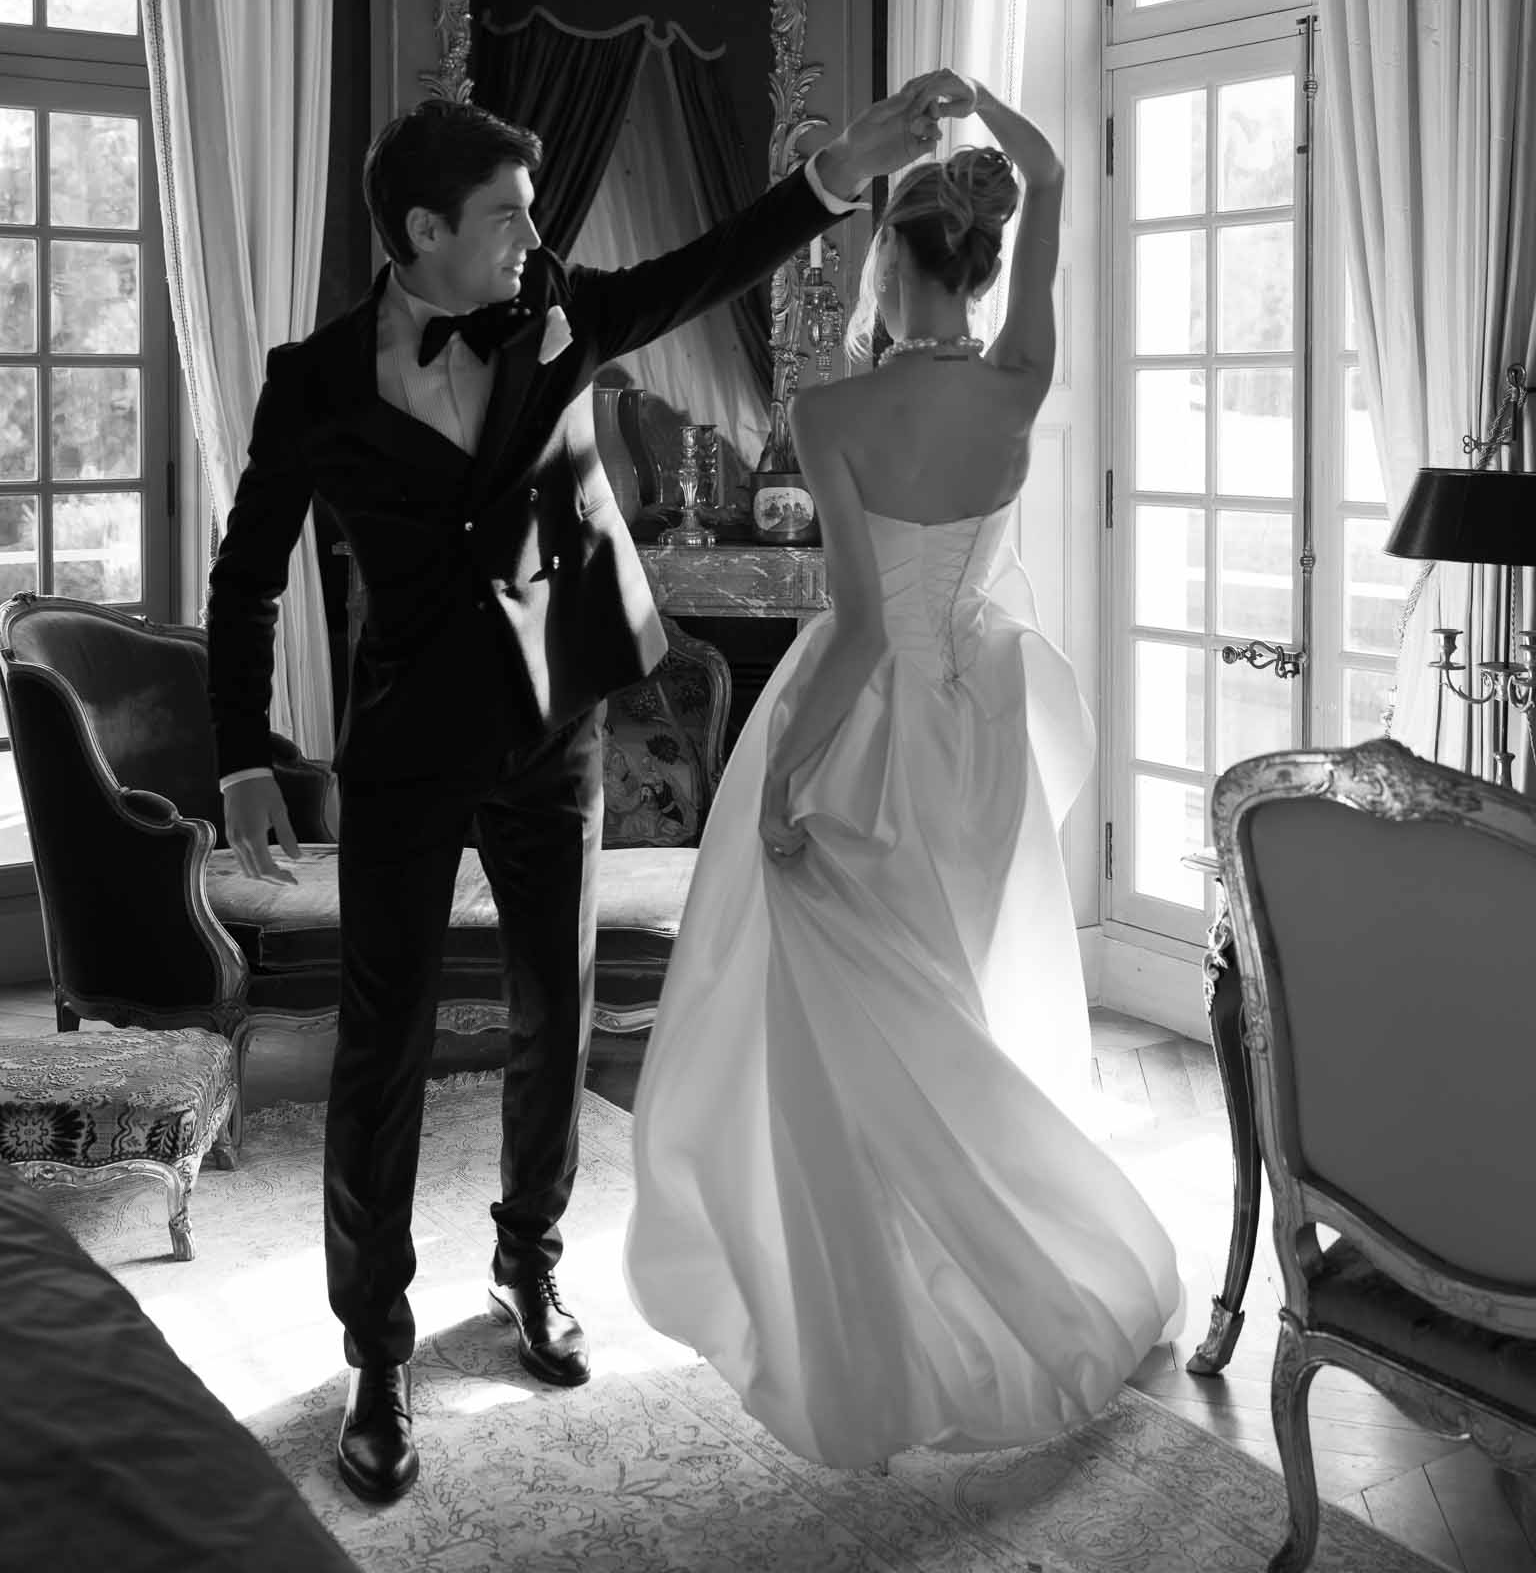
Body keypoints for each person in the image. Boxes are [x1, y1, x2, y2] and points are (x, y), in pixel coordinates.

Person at [205, 78, 953, 1503]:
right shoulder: (311, 380)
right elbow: (246, 579)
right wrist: (244, 748)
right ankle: (374, 1347)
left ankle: (529, 1268)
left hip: (557, 723)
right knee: (384, 1043)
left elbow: (700, 268)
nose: (532, 239)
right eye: (504, 217)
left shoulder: (553, 301)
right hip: (410, 739)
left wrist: (835, 178)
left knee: (557, 1005)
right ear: (422, 232)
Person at [625, 75, 1183, 1470]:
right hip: (980, 727)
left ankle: (879, 1292)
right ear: (988, 263)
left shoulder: (832, 410)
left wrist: (779, 784)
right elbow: (1053, 180)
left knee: (852, 1024)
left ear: (891, 258)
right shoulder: (1023, 381)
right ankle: (998, 1267)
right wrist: (984, 109)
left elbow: (862, 632)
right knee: (961, 1008)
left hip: (867, 732)